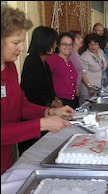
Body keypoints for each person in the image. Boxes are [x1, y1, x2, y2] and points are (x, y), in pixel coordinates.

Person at [1, 6, 75, 175]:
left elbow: (21, 105)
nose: (21, 48)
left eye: (22, 41)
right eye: (15, 42)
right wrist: (42, 124)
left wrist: (50, 111)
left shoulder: (10, 66)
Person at [19, 26, 64, 155]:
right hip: (32, 119)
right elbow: (30, 94)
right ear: (46, 42)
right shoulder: (32, 61)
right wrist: (51, 103)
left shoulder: (44, 62)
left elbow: (47, 88)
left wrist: (55, 98)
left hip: (44, 114)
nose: (56, 46)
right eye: (55, 42)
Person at [46, 32, 78, 109]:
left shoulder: (69, 61)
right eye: (65, 44)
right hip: (59, 101)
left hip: (72, 100)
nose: (68, 47)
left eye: (70, 44)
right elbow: (46, 81)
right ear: (58, 45)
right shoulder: (52, 59)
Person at [79, 33, 108, 105]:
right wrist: (89, 87)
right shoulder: (85, 56)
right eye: (90, 44)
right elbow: (83, 74)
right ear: (87, 45)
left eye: (95, 44)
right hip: (88, 90)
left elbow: (103, 63)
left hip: (99, 88)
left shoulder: (100, 52)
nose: (93, 46)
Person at [69, 30, 84, 108]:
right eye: (78, 38)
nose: (81, 40)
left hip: (77, 86)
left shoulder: (76, 53)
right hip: (73, 88)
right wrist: (76, 86)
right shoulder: (71, 54)